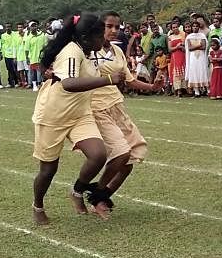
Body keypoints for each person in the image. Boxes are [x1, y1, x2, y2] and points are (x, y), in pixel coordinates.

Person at [31, 13, 115, 226]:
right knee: (48, 170)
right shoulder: (71, 51)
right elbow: (68, 83)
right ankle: (38, 205)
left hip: (79, 114)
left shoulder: (89, 51)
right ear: (87, 37)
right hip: (53, 115)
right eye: (100, 35)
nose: (104, 38)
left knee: (98, 155)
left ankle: (77, 191)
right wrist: (108, 80)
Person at [88, 11, 166, 219]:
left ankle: (102, 197)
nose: (114, 31)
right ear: (99, 27)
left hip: (117, 107)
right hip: (96, 108)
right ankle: (92, 194)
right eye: (109, 26)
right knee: (121, 153)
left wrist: (152, 86)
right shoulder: (86, 52)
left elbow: (129, 80)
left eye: (117, 27)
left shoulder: (117, 51)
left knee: (129, 162)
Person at [184, 21, 210, 97]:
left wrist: (194, 47)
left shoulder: (202, 36)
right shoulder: (189, 37)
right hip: (192, 57)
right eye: (194, 26)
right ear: (192, 27)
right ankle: (196, 91)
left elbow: (204, 47)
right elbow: (190, 48)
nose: (195, 27)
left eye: (196, 26)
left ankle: (207, 90)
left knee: (202, 71)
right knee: (194, 71)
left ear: (199, 27)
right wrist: (199, 45)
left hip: (201, 56)